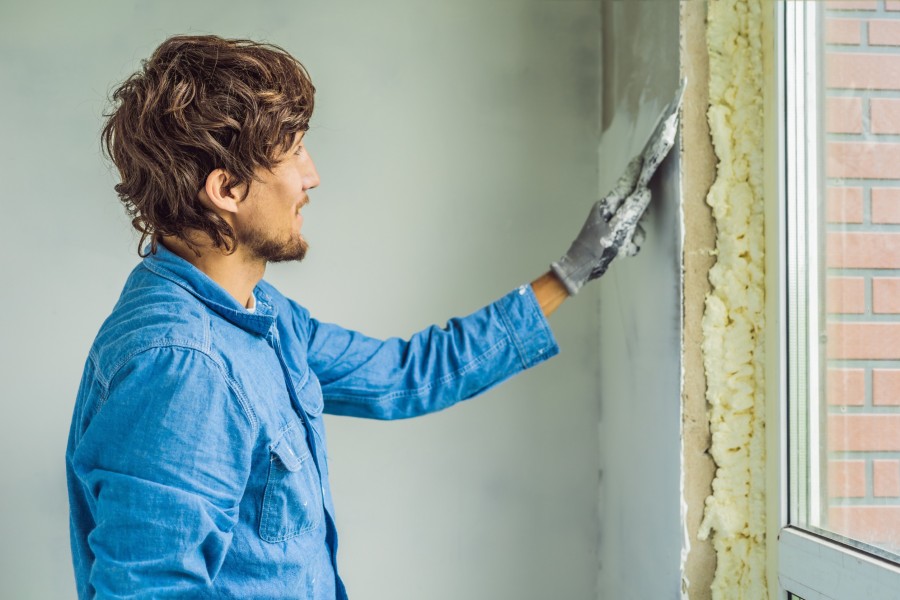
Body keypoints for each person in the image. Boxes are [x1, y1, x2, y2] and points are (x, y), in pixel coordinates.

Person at [65, 34, 655, 599]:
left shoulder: (259, 316)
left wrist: (569, 274)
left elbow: (404, 375)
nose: (311, 174)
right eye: (293, 151)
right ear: (226, 190)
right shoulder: (182, 367)